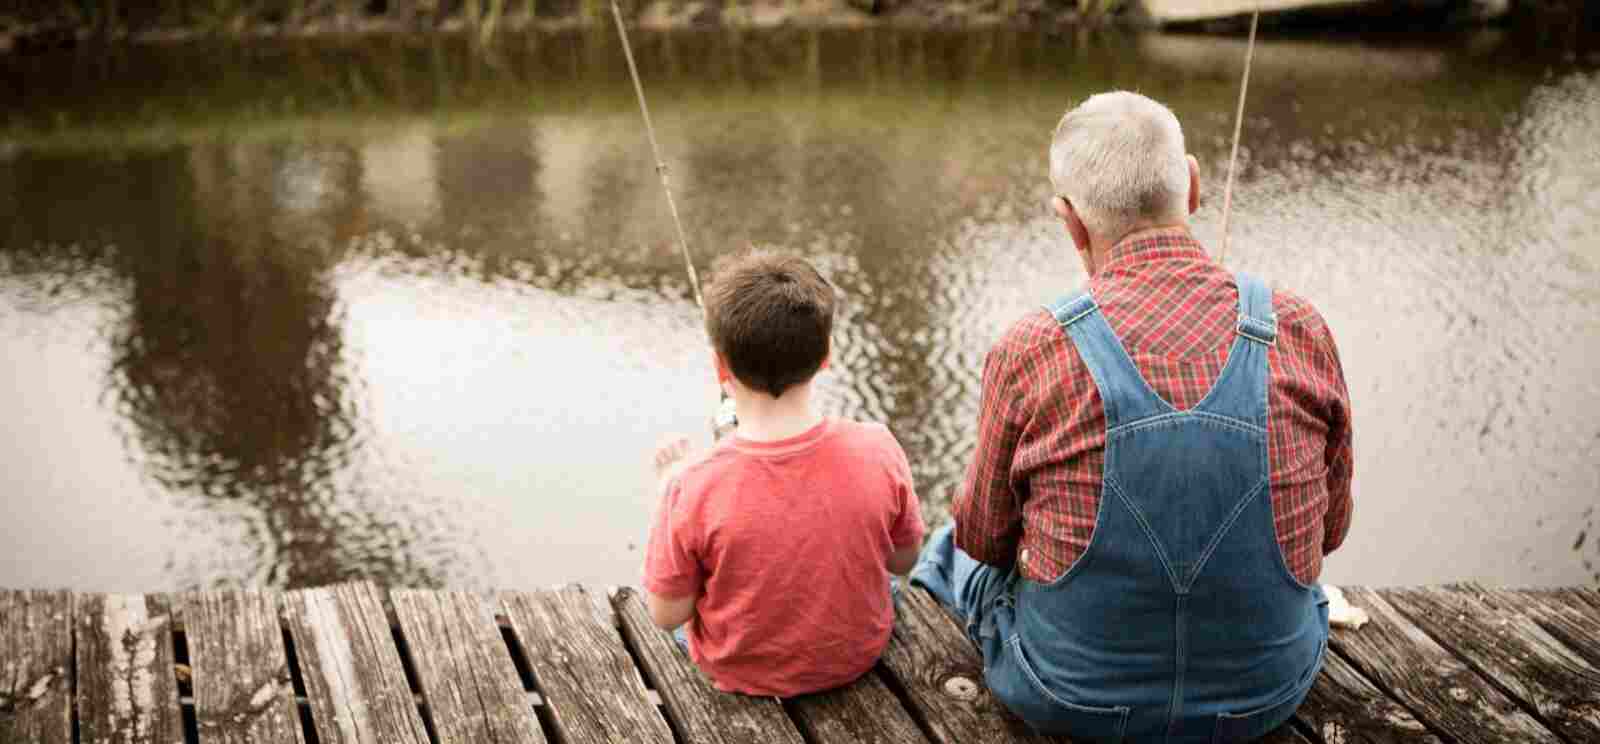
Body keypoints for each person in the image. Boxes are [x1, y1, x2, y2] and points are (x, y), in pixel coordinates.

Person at [911, 91, 1353, 742]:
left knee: (952, 546)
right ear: (1193, 184)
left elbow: (985, 539)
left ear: (1070, 221)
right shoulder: (1299, 327)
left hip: (1067, 697)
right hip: (1266, 692)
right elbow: (1331, 531)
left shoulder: (1031, 350)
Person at [643, 252, 926, 697]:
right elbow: (903, 561)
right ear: (826, 356)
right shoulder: (878, 445)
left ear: (722, 369)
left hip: (742, 674)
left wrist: (669, 493)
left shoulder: (691, 485)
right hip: (856, 655)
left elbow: (666, 614)